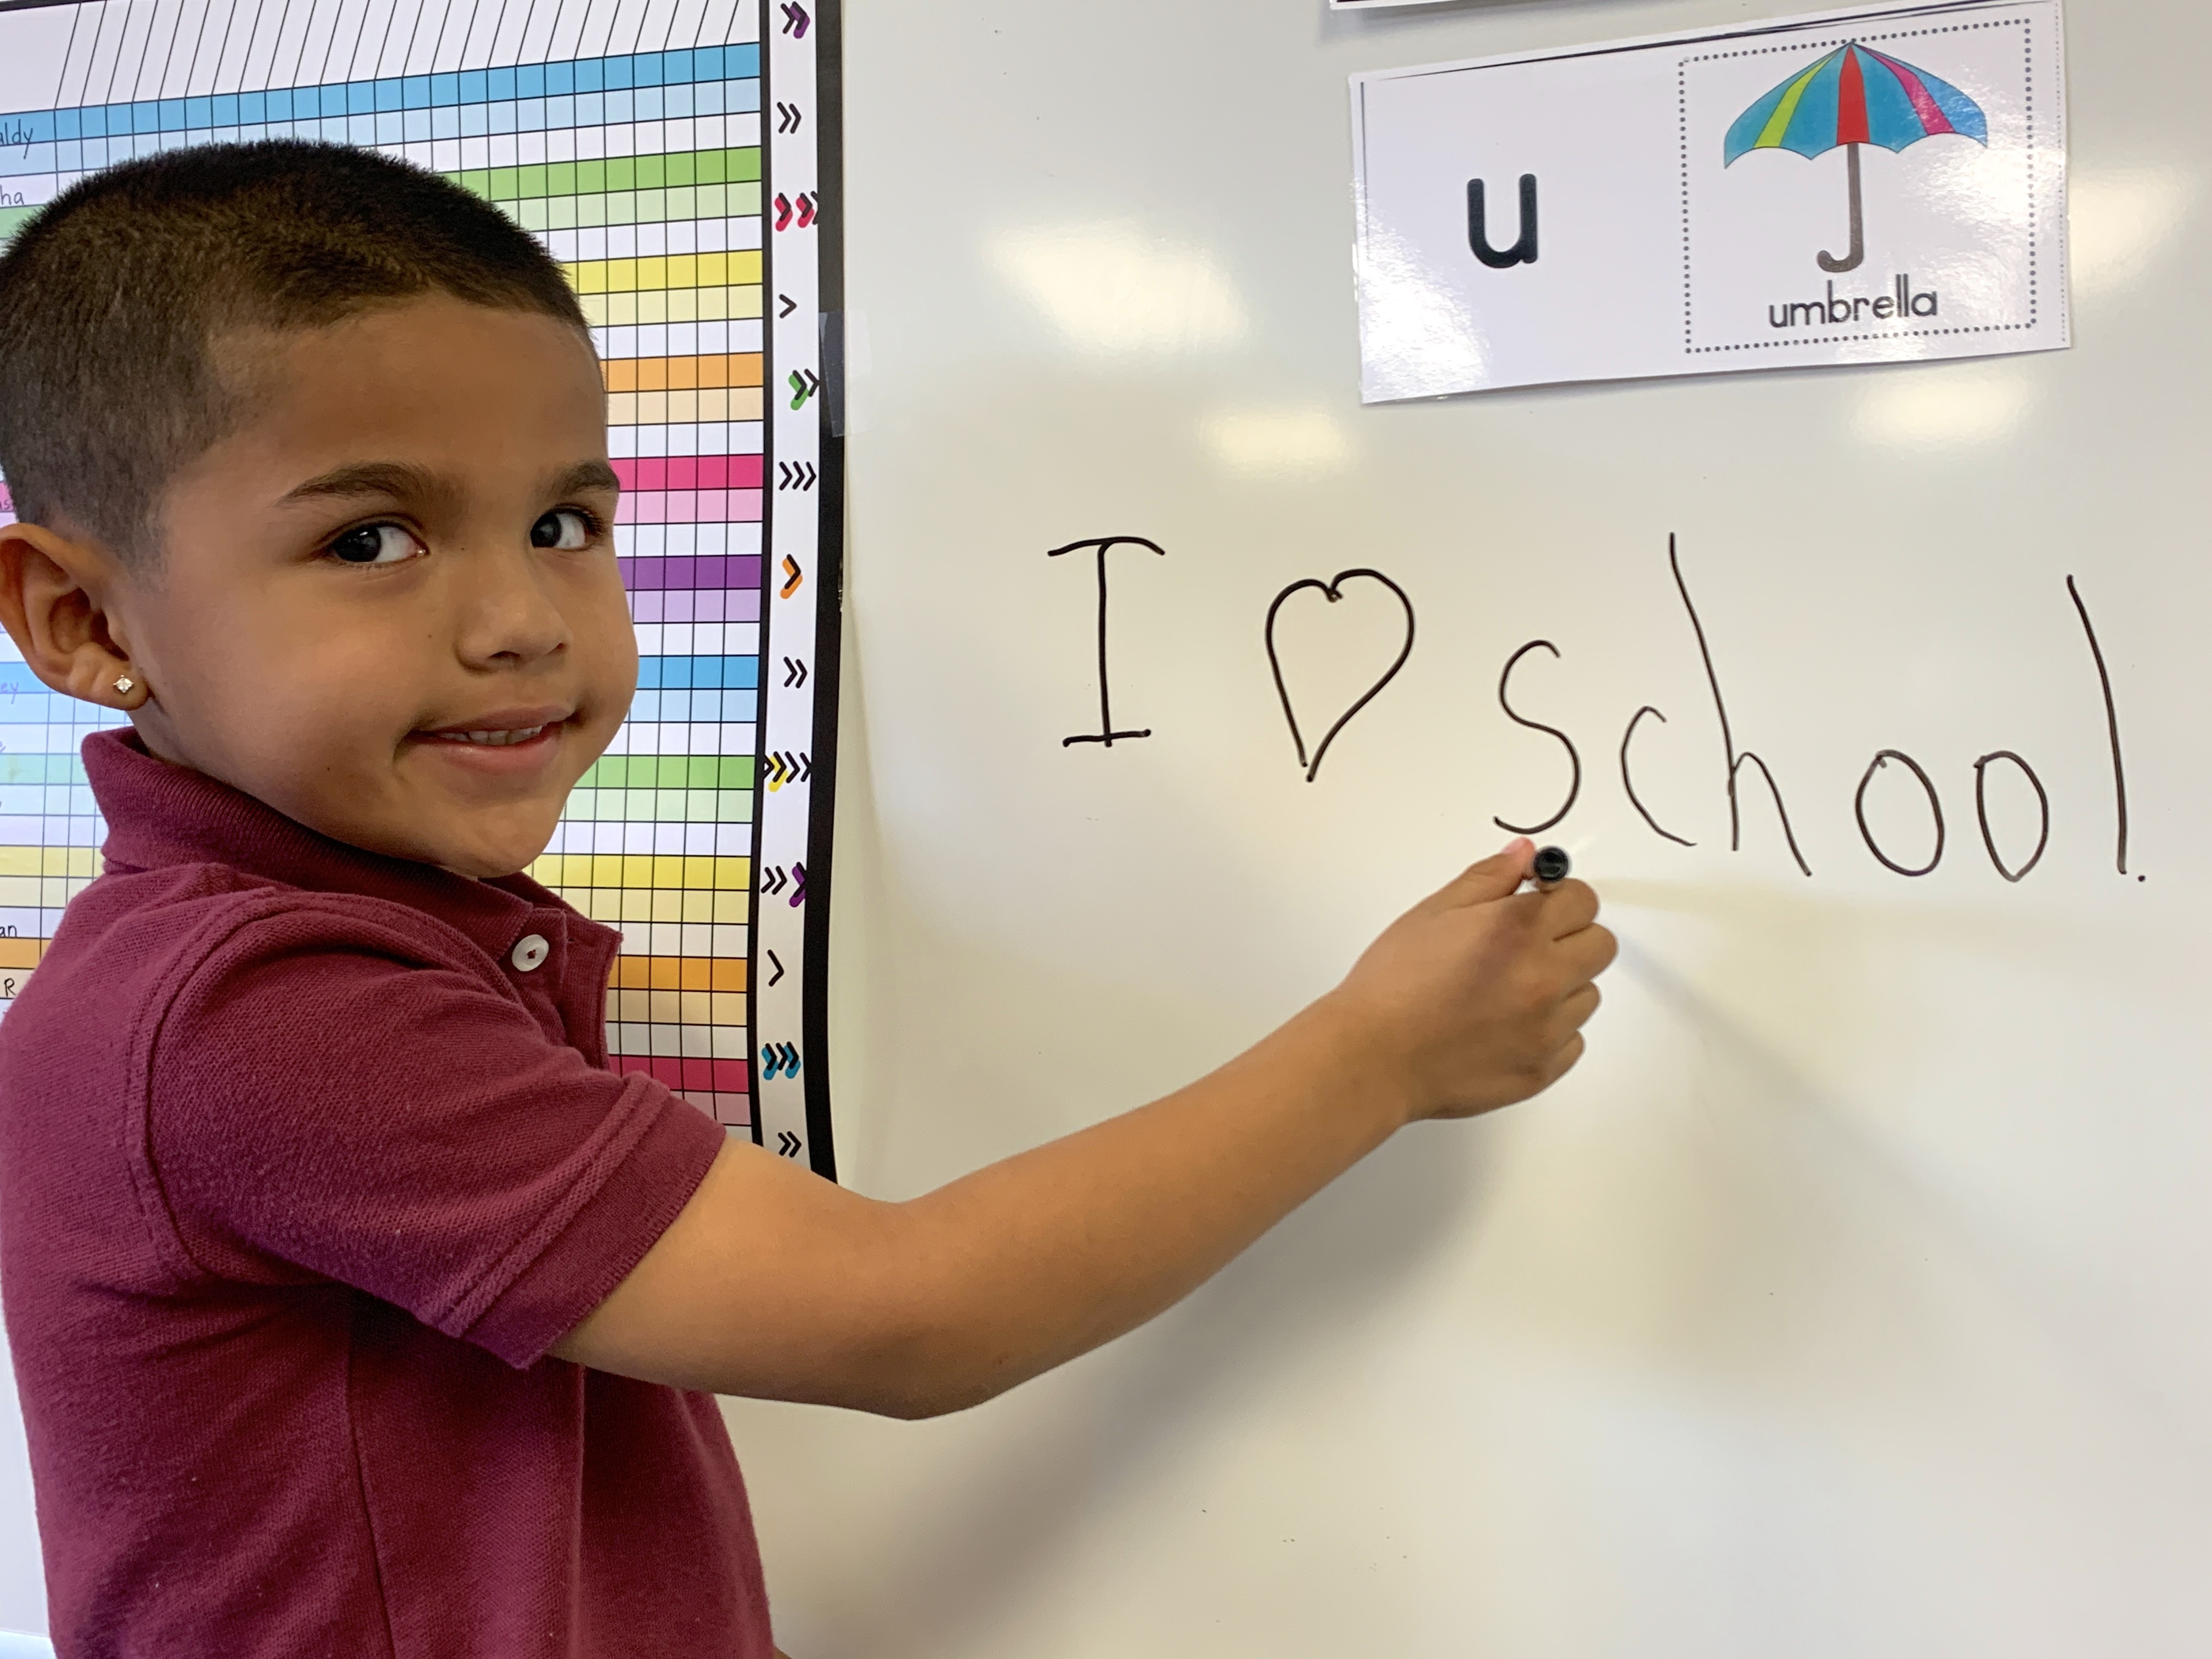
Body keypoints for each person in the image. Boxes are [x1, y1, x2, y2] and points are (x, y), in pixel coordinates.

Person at [0, 140, 1614, 1658]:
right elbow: (911, 1319)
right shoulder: (259, 1008)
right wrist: (1381, 1056)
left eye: (565, 523)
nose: (518, 619)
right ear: (80, 617)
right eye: (372, 538)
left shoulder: (344, 941)